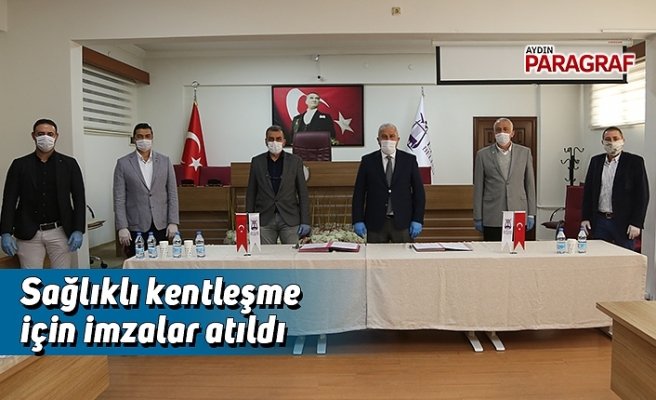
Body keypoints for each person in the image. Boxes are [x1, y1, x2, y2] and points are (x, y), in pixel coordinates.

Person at [1, 118, 85, 268]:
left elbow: (79, 199)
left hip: (60, 231)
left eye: (50, 134)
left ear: (56, 136)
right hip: (28, 232)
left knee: (62, 276)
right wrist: (5, 232)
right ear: (33, 136)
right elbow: (9, 200)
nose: (45, 137)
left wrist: (78, 229)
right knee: (31, 278)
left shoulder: (69, 164)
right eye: (40, 134)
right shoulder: (19, 165)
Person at [113, 123, 179, 257]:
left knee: (161, 262)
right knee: (137, 262)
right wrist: (122, 227)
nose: (144, 139)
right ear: (134, 139)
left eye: (147, 136)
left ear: (152, 137)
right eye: (140, 136)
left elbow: (172, 194)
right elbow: (119, 198)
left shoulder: (165, 161)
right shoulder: (123, 163)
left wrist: (173, 221)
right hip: (136, 226)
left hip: (161, 224)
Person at [352, 123, 425, 243]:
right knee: (375, 255)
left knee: (404, 255)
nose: (388, 140)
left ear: (398, 139)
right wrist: (357, 220)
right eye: (384, 136)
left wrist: (417, 219)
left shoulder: (409, 160)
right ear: (378, 140)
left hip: (403, 222)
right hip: (375, 223)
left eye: (392, 136)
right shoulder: (368, 161)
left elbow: (419, 193)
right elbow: (359, 193)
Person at [581, 126, 649, 250]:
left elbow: (642, 195)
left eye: (615, 138)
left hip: (624, 223)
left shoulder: (634, 162)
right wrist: (585, 218)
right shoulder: (596, 161)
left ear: (623, 140)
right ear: (602, 142)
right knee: (600, 256)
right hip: (600, 221)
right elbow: (588, 192)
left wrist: (636, 223)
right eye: (608, 139)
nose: (612, 142)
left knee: (625, 257)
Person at [473, 117, 536, 241]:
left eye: (506, 129)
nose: (502, 132)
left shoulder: (524, 153)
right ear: (494, 133)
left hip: (518, 213)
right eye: (498, 130)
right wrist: (478, 217)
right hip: (492, 215)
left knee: (517, 249)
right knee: (493, 250)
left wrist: (531, 214)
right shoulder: (482, 155)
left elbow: (530, 184)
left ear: (512, 133)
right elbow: (478, 188)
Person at [246, 125, 311, 244]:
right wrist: (248, 221)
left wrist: (305, 221)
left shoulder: (295, 161)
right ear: (266, 141)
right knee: (265, 254)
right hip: (264, 219)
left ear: (284, 141)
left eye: (278, 139)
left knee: (292, 254)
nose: (274, 142)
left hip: (290, 218)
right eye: (271, 139)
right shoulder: (257, 162)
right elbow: (251, 193)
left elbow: (303, 193)